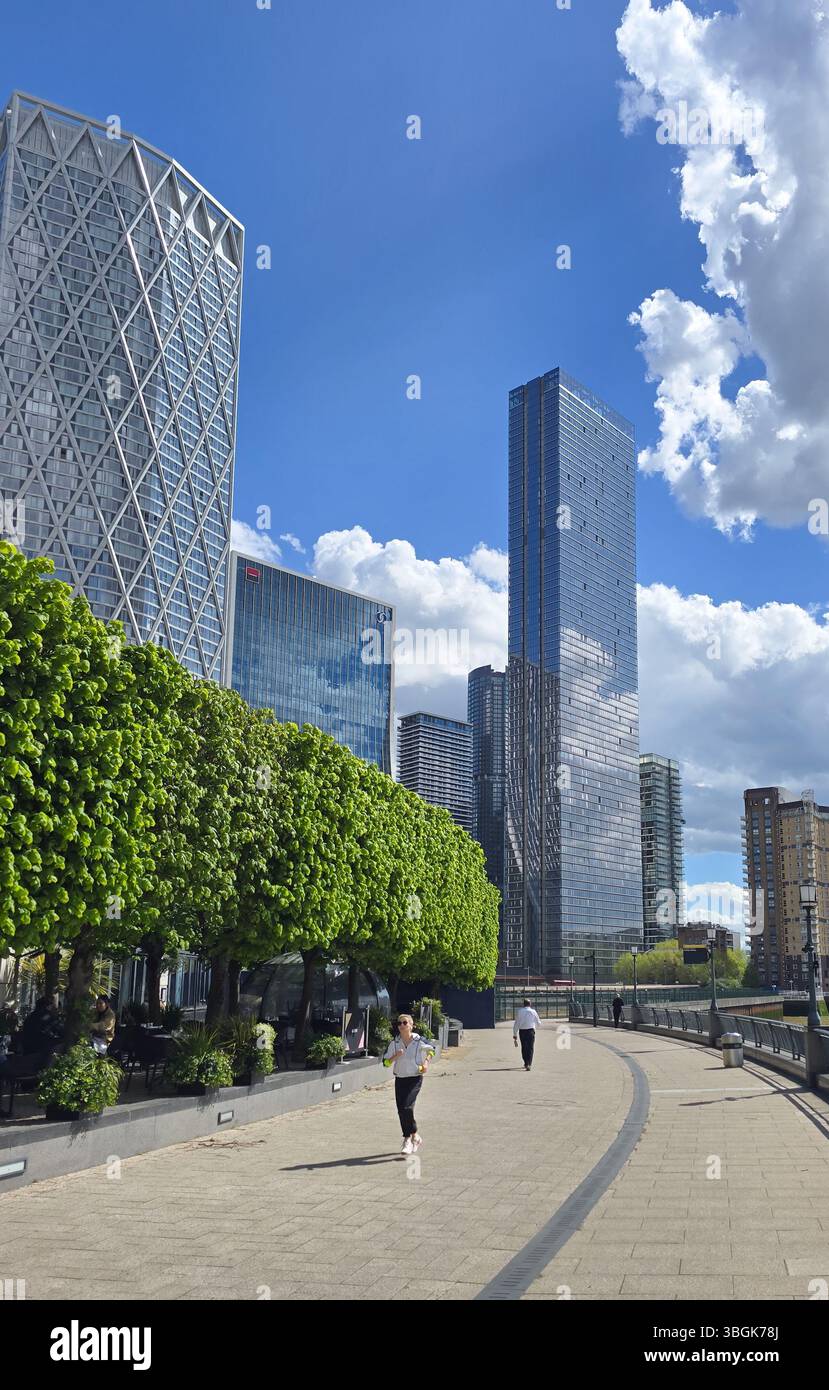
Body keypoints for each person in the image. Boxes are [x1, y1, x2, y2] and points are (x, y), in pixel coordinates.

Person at [382, 1014, 434, 1154]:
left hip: (415, 1078)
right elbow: (385, 1063)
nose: (402, 1025)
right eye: (399, 1023)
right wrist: (395, 1056)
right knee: (401, 1110)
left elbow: (431, 1049)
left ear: (411, 1025)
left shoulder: (419, 1041)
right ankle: (412, 1137)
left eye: (405, 1022)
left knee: (407, 1107)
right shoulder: (395, 1043)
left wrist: (426, 1062)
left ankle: (408, 1138)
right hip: (400, 1078)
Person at [513, 997, 542, 1070]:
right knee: (530, 1047)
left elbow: (516, 1023)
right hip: (530, 1031)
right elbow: (538, 1023)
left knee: (524, 1047)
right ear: (530, 1004)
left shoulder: (520, 1011)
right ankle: (529, 1063)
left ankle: (526, 1062)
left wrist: (515, 1034)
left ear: (523, 1004)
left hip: (522, 1031)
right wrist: (535, 1026)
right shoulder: (533, 1011)